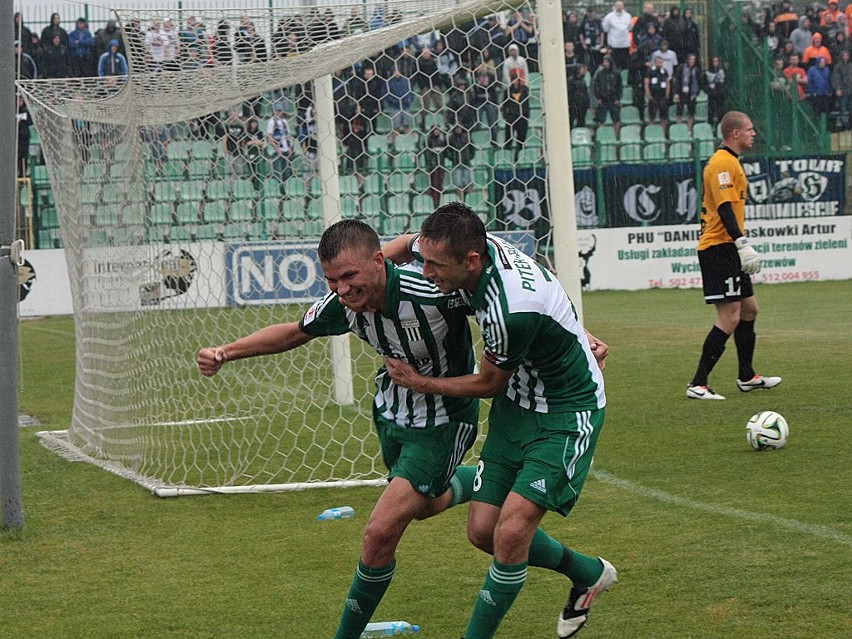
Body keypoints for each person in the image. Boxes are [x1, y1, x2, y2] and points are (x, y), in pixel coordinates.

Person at [197, 219, 481, 639]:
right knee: (422, 506)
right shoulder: (343, 305)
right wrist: (226, 352)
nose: (342, 289)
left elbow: (510, 304)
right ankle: (480, 479)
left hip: (444, 421)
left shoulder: (434, 293)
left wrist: (579, 336)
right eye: (331, 279)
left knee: (379, 533)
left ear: (379, 261)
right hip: (392, 414)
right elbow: (295, 332)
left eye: (349, 276)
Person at [382, 204, 614, 639]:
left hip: (566, 411)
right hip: (516, 406)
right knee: (482, 531)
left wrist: (421, 382)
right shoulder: (464, 249)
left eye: (436, 266)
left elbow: (488, 382)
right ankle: (587, 573)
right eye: (425, 260)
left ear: (472, 261)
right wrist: (373, 265)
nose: (426, 271)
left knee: (510, 532)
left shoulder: (509, 307)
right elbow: (404, 246)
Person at [686, 112, 782, 401]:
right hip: (719, 248)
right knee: (729, 318)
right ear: (735, 133)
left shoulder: (731, 162)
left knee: (750, 310)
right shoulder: (722, 164)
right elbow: (725, 208)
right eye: (750, 130)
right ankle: (698, 383)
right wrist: (741, 243)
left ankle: (746, 376)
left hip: (729, 247)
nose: (754, 134)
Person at [592, 55, 623, 136]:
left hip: (613, 99)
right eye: (604, 62)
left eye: (606, 62)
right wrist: (598, 97)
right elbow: (596, 86)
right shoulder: (599, 74)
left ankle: (616, 136)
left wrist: (618, 98)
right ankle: (602, 135)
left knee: (616, 119)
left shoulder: (616, 73)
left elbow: (619, 86)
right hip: (603, 100)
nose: (605, 63)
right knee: (601, 119)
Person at [266, 103, 293, 182]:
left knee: (286, 171)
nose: (278, 112)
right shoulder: (271, 122)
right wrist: (277, 149)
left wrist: (290, 147)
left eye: (280, 111)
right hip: (276, 149)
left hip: (286, 149)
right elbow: (270, 137)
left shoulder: (285, 121)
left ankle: (285, 186)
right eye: (277, 111)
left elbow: (288, 135)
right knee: (277, 170)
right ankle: (279, 187)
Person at [602, 0, 632, 70]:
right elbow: (605, 29)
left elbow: (630, 27)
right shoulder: (609, 17)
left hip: (625, 45)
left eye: (621, 5)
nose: (619, 7)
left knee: (625, 65)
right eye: (618, 5)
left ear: (623, 6)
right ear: (615, 6)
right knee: (615, 65)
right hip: (614, 45)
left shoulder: (628, 16)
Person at [645, 54, 671, 130]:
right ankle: (650, 132)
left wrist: (667, 94)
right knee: (652, 116)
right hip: (653, 96)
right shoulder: (650, 71)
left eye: (661, 62)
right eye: (658, 62)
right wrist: (649, 95)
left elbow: (667, 83)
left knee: (664, 117)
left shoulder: (665, 71)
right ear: (655, 62)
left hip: (662, 96)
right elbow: (646, 83)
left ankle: (662, 134)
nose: (659, 63)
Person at [704, 56, 727, 128]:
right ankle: (711, 128)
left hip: (720, 95)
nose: (716, 63)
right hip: (712, 95)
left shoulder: (722, 72)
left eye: (717, 61)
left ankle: (720, 127)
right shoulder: (707, 73)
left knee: (721, 112)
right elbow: (704, 84)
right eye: (714, 61)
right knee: (711, 112)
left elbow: (725, 82)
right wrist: (709, 91)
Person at [832, 49, 852, 129]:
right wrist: (837, 89)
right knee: (843, 109)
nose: (846, 57)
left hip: (850, 90)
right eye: (844, 56)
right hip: (842, 91)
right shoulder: (838, 67)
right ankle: (844, 126)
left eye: (847, 55)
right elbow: (835, 79)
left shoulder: (850, 66)